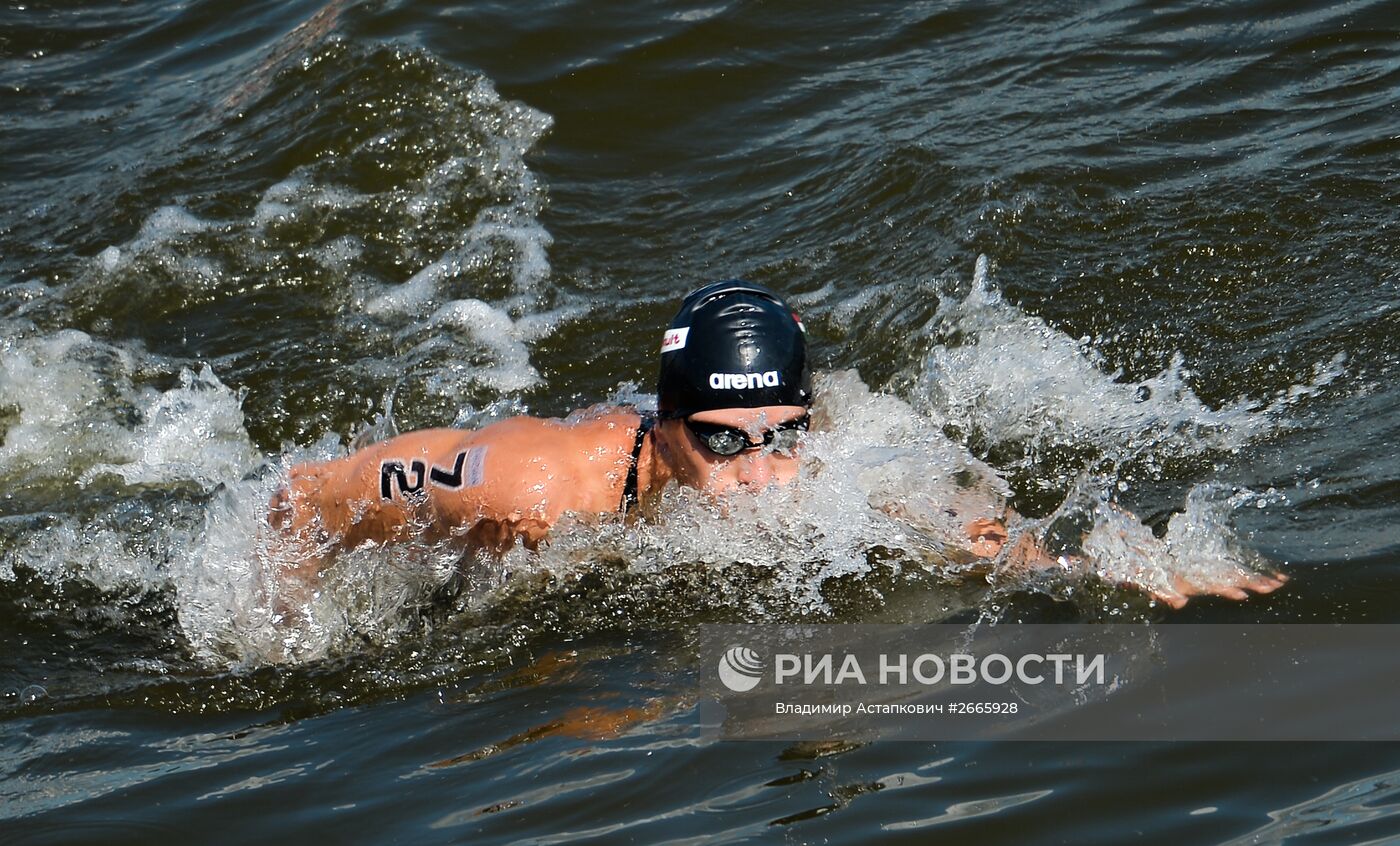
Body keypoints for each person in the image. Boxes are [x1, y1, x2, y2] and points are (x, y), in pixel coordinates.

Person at [268, 280, 1286, 607]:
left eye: (778, 439)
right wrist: (280, 618)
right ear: (665, 431)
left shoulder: (830, 451)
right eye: (718, 445)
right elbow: (310, 490)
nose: (758, 479)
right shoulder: (535, 479)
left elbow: (955, 525)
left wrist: (1107, 563)